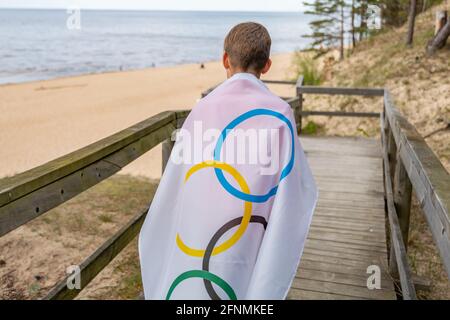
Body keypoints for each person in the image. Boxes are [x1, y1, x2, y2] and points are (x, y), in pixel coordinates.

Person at [139, 22, 318, 300]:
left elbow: (179, 178)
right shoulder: (280, 113)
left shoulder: (203, 109)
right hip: (250, 225)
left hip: (202, 225)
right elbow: (295, 186)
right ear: (267, 65)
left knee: (200, 288)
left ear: (225, 59)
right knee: (241, 286)